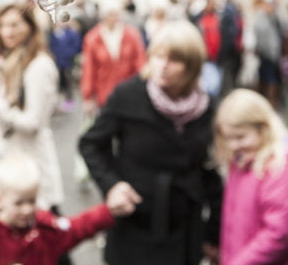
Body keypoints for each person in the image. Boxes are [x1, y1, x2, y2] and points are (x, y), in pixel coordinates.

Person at [79, 20, 222, 265]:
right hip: (136, 222)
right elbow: (91, 144)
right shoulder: (128, 95)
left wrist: (214, 232)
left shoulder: (205, 107)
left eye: (174, 60)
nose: (162, 66)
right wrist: (112, 185)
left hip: (185, 226)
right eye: (157, 56)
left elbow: (210, 171)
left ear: (192, 66)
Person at [0, 3, 64, 212]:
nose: (8, 32)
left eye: (15, 25)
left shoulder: (38, 66)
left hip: (28, 161)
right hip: (6, 158)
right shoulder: (7, 61)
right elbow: (3, 104)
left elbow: (32, 122)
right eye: (2, 25)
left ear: (30, 27)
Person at [0, 153, 119, 265]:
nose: (27, 210)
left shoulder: (45, 228)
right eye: (19, 203)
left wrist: (108, 211)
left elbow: (76, 228)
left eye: (32, 201)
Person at [214, 88, 288, 265]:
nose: (233, 145)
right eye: (228, 138)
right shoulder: (243, 160)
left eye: (240, 137)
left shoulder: (282, 168)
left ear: (263, 128)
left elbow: (280, 234)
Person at [80, 1, 145, 116]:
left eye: (116, 14)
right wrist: (88, 96)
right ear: (103, 16)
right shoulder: (92, 38)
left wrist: (142, 87)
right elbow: (89, 69)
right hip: (104, 92)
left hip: (129, 91)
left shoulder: (132, 34)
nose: (114, 18)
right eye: (111, 14)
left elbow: (140, 62)